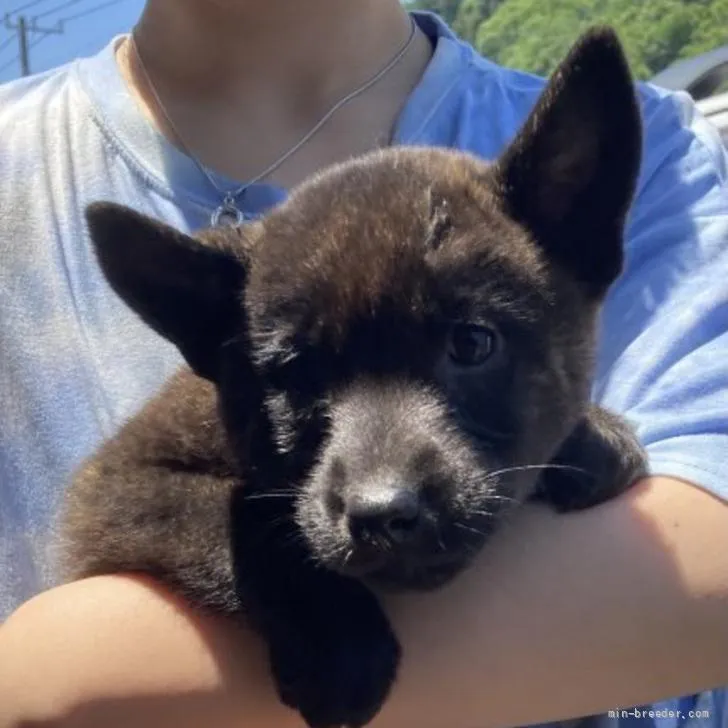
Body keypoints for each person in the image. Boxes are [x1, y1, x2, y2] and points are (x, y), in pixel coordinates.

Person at [0, 1, 726, 727]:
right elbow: (122, 495)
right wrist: (287, 587)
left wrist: (65, 679)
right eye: (303, 376)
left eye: (469, 345)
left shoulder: (666, 160)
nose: (380, 487)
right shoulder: (224, 330)